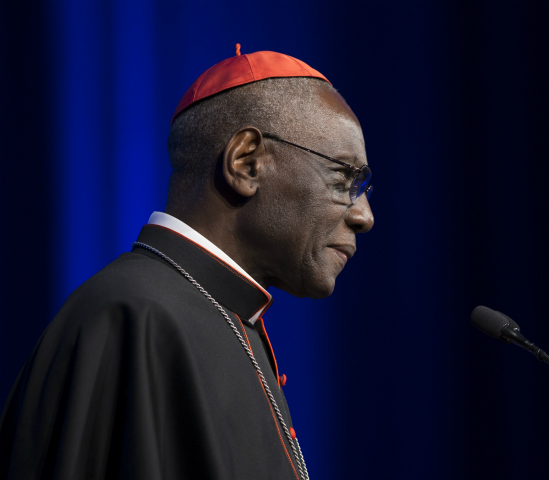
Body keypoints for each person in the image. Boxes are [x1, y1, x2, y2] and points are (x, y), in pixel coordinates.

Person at [0, 49, 373, 480]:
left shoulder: (225, 317)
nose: (364, 216)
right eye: (344, 179)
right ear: (246, 162)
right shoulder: (135, 317)